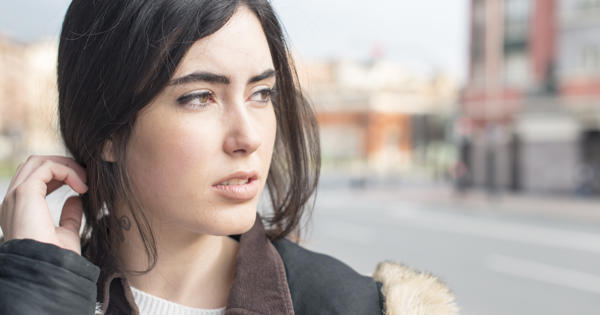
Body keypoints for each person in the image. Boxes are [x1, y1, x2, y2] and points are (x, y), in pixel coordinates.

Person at [0, 1, 458, 314]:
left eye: (261, 93)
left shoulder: (352, 306)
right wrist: (41, 293)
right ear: (107, 131)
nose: (249, 137)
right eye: (200, 97)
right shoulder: (32, 294)